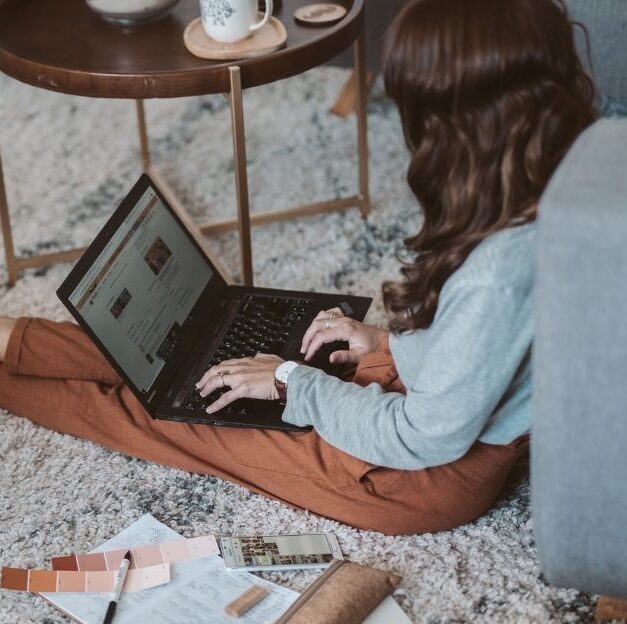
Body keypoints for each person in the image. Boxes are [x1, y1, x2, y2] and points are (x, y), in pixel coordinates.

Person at [0, 0, 597, 535]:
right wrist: (384, 341)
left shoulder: (501, 268)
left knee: (162, 416)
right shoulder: (562, 174)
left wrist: (291, 383)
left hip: (413, 474)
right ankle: (14, 340)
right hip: (432, 396)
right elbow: (489, 349)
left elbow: (421, 436)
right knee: (178, 365)